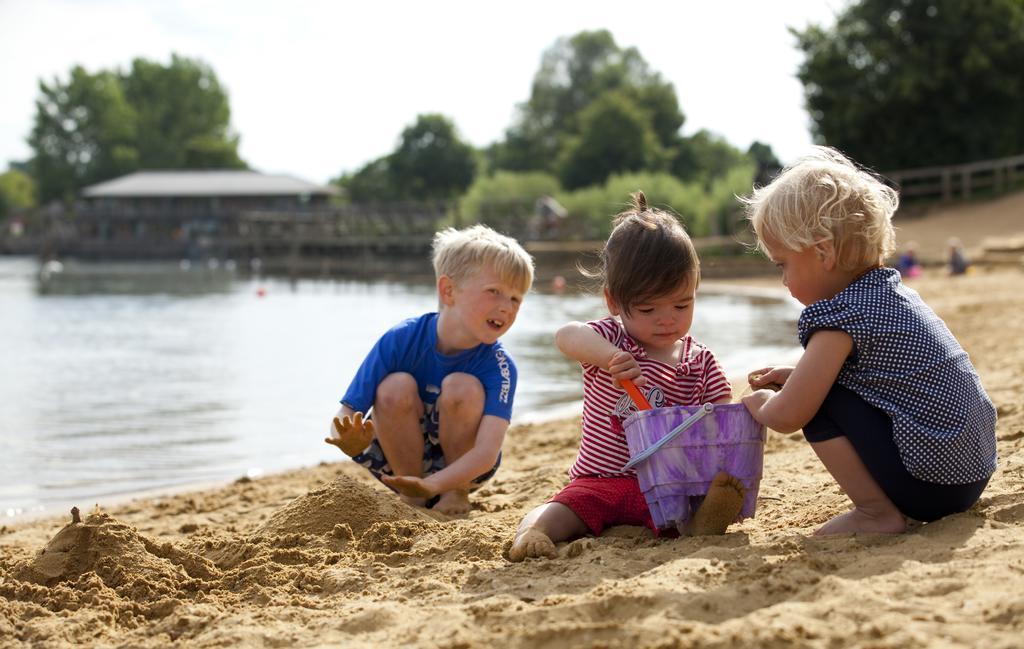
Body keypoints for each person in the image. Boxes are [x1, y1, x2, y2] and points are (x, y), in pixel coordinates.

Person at [741, 147, 997, 535]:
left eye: (783, 265)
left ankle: (876, 512)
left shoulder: (840, 317)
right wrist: (798, 374)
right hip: (972, 472)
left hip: (931, 489)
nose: (783, 281)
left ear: (823, 252)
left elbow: (789, 415)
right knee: (827, 388)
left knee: (820, 401)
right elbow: (884, 378)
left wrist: (760, 404)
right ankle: (884, 507)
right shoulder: (892, 294)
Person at [509, 192, 743, 562]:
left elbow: (723, 420)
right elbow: (566, 336)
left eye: (682, 305)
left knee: (681, 513)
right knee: (566, 508)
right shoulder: (612, 339)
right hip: (599, 480)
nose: (668, 319)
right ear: (614, 302)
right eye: (649, 308)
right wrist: (610, 358)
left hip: (666, 486)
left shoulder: (700, 361)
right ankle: (532, 531)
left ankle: (698, 526)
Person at [325, 224, 535, 515]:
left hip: (466, 468)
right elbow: (345, 415)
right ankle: (411, 492)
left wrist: (437, 484)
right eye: (494, 291)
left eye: (515, 298)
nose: (506, 307)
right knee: (393, 386)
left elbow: (487, 453)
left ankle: (454, 492)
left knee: (462, 387)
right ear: (448, 291)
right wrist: (346, 440)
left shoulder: (499, 365)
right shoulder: (401, 339)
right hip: (395, 457)